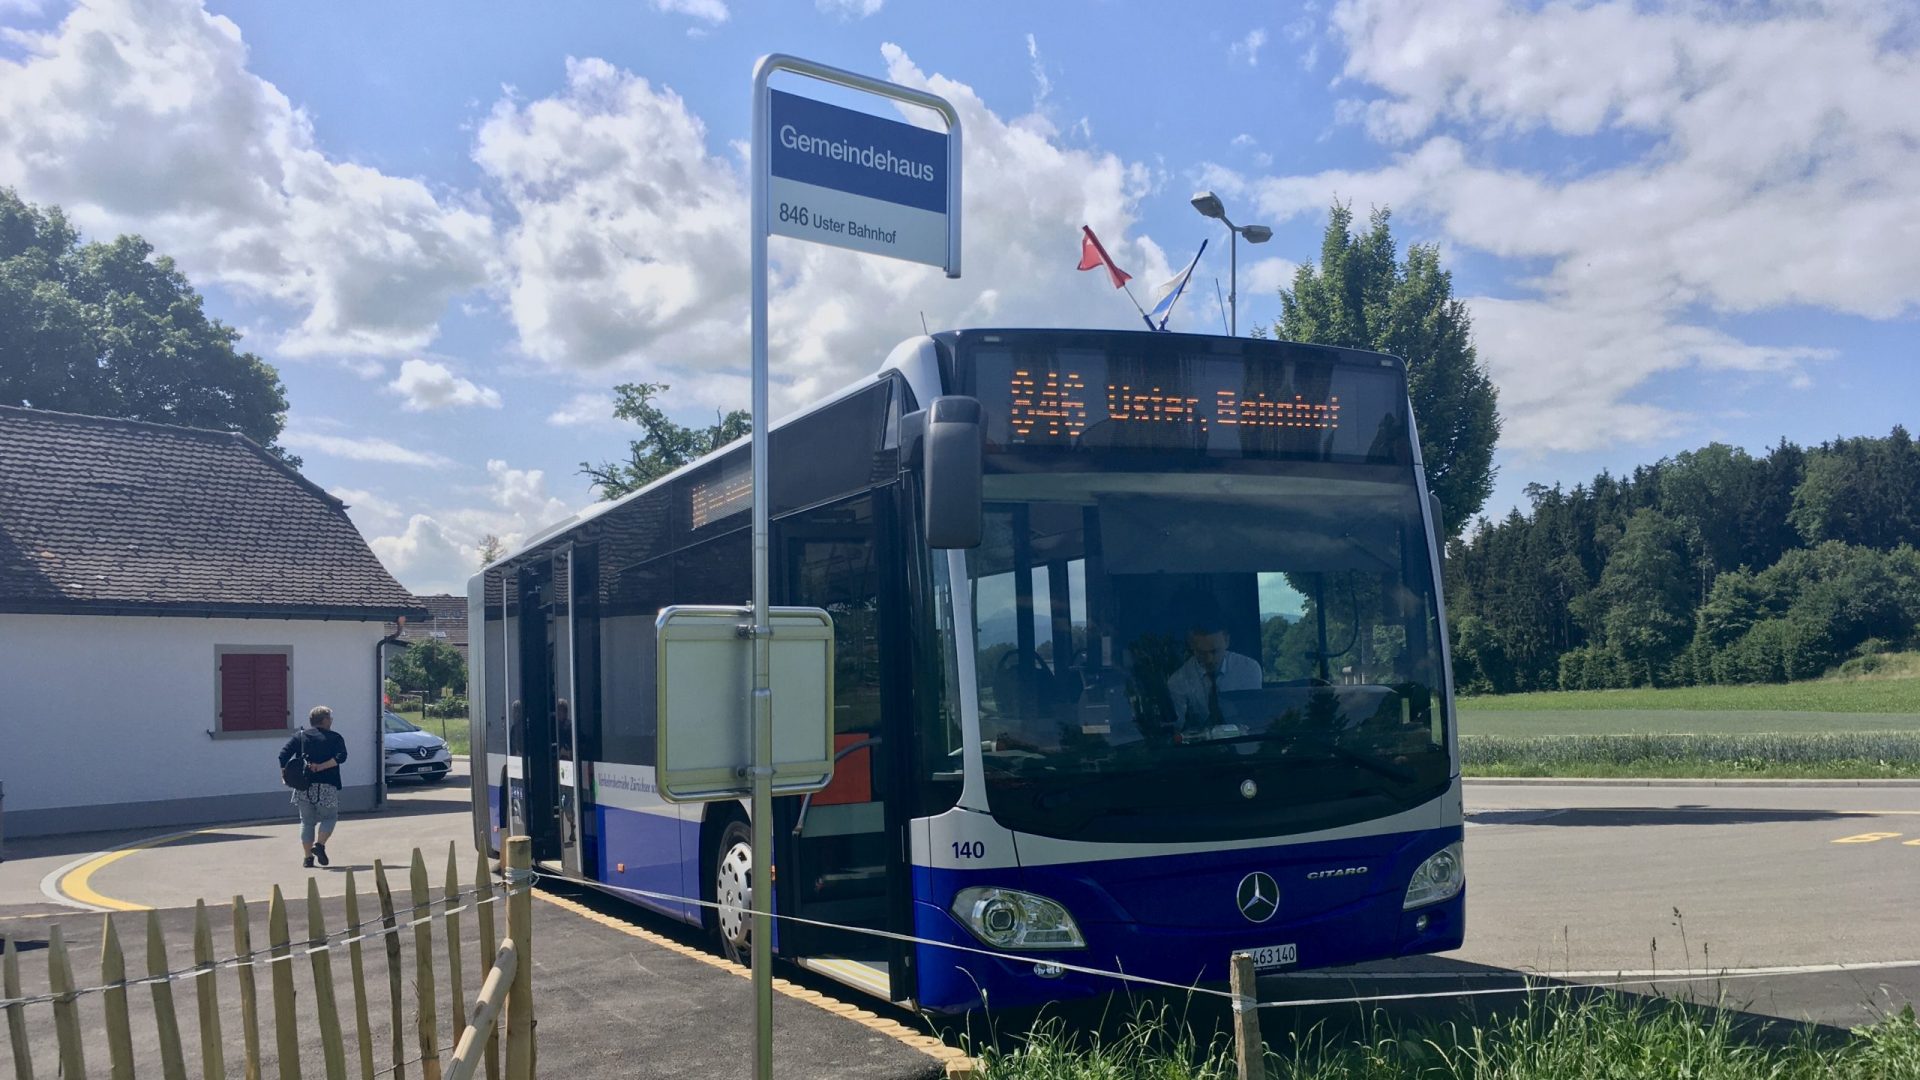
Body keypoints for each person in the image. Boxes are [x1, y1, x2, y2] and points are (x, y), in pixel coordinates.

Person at [1165, 615, 1263, 734]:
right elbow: (1177, 729)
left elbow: (1254, 718)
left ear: (1227, 641)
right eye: (1201, 653)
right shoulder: (1178, 681)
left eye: (1214, 651)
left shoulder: (1248, 669)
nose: (1209, 659)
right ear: (1191, 646)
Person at [280, 705, 349, 868]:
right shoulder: (335, 737)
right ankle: (320, 844)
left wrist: (285, 775)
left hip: (303, 786)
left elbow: (283, 755)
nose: (331, 720)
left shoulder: (301, 737)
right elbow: (342, 757)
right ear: (325, 720)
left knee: (306, 821)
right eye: (330, 718)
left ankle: (307, 858)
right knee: (330, 817)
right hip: (327, 785)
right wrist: (322, 766)